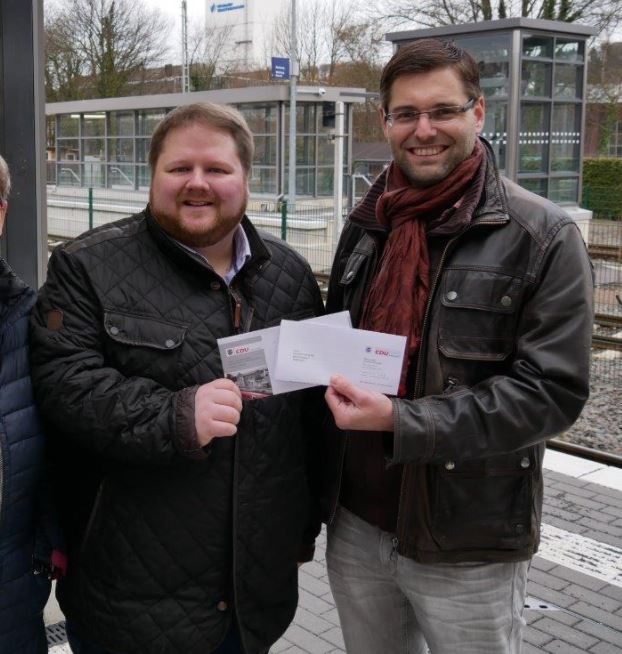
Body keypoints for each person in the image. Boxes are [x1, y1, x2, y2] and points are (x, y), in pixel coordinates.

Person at [320, 39, 593, 654]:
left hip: (467, 540)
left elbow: (551, 393)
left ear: (477, 114)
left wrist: (401, 420)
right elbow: (337, 339)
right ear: (385, 122)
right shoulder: (368, 223)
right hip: (358, 524)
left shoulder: (541, 235)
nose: (424, 130)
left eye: (442, 111)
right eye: (406, 114)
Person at [30, 102, 324, 654]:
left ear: (246, 178)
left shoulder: (289, 273)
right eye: (179, 168)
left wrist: (302, 529)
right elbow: (64, 384)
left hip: (255, 592)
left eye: (216, 169)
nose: (197, 183)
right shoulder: (86, 265)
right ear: (152, 175)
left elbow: (305, 423)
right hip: (131, 593)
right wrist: (175, 417)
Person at [0, 154, 64, 653]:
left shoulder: (36, 322)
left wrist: (50, 547)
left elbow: (64, 446)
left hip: (13, 587)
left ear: (1, 215)